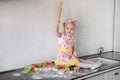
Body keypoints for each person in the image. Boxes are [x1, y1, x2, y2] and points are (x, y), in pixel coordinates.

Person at [54, 0, 102, 70]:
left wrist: (74, 52)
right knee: (77, 63)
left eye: (71, 29)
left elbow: (72, 47)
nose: (69, 30)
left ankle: (93, 63)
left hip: (70, 56)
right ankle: (92, 66)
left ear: (74, 30)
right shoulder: (62, 36)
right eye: (67, 28)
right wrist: (56, 27)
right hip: (62, 58)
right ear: (64, 28)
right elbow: (57, 33)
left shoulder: (72, 38)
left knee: (80, 60)